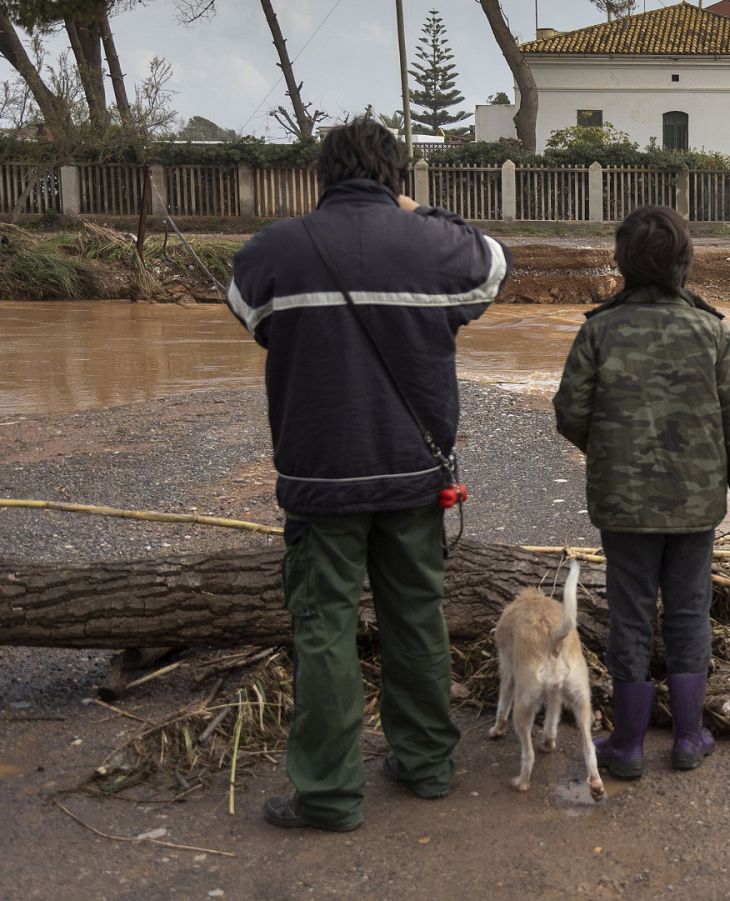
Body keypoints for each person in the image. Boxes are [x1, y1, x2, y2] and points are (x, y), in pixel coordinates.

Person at [227, 119, 508, 831]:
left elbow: (248, 312)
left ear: (322, 175)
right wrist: (420, 213)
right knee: (416, 616)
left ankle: (327, 794)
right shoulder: (433, 244)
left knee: (323, 628)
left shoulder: (276, 250)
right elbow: (493, 263)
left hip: (320, 480)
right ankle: (426, 765)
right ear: (396, 177)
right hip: (415, 475)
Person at [552, 204, 730, 779]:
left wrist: (610, 451)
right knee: (690, 613)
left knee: (629, 615)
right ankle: (689, 738)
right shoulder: (710, 330)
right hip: (696, 504)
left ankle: (625, 746)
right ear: (683, 263)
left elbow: (569, 411)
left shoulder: (599, 328)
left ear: (622, 263)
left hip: (623, 504)